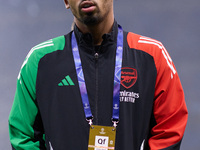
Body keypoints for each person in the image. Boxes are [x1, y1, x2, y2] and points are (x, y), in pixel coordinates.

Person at [8, 0, 188, 149]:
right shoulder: (40, 61)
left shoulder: (152, 55)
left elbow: (170, 130)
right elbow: (22, 135)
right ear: (66, 2)